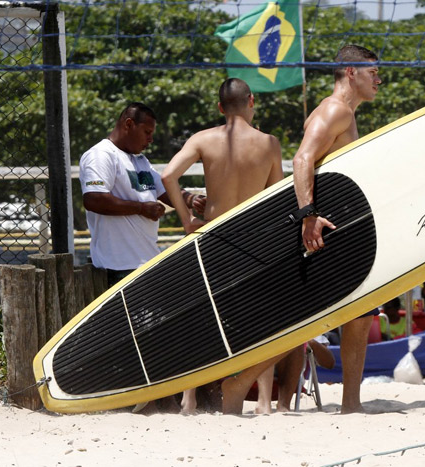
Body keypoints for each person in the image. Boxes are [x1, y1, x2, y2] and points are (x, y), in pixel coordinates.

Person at [161, 78, 283, 414]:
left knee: (199, 318)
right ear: (251, 101)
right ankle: (262, 403)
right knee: (261, 319)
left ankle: (188, 400)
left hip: (212, 237)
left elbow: (169, 175)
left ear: (219, 107)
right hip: (252, 239)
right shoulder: (269, 143)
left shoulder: (203, 139)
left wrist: (187, 220)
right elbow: (274, 198)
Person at [293, 44, 381, 414]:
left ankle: (351, 403)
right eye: (372, 72)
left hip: (338, 225)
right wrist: (307, 215)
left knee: (360, 316)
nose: (379, 79)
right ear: (350, 72)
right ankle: (349, 403)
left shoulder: (342, 113)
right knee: (341, 316)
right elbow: (302, 159)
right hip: (325, 226)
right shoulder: (335, 110)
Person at [79, 102, 204, 287]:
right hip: (119, 268)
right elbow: (93, 199)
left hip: (145, 264)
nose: (151, 139)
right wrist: (141, 208)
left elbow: (166, 189)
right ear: (128, 124)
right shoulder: (101, 155)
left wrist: (192, 199)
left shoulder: (140, 161)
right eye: (147, 132)